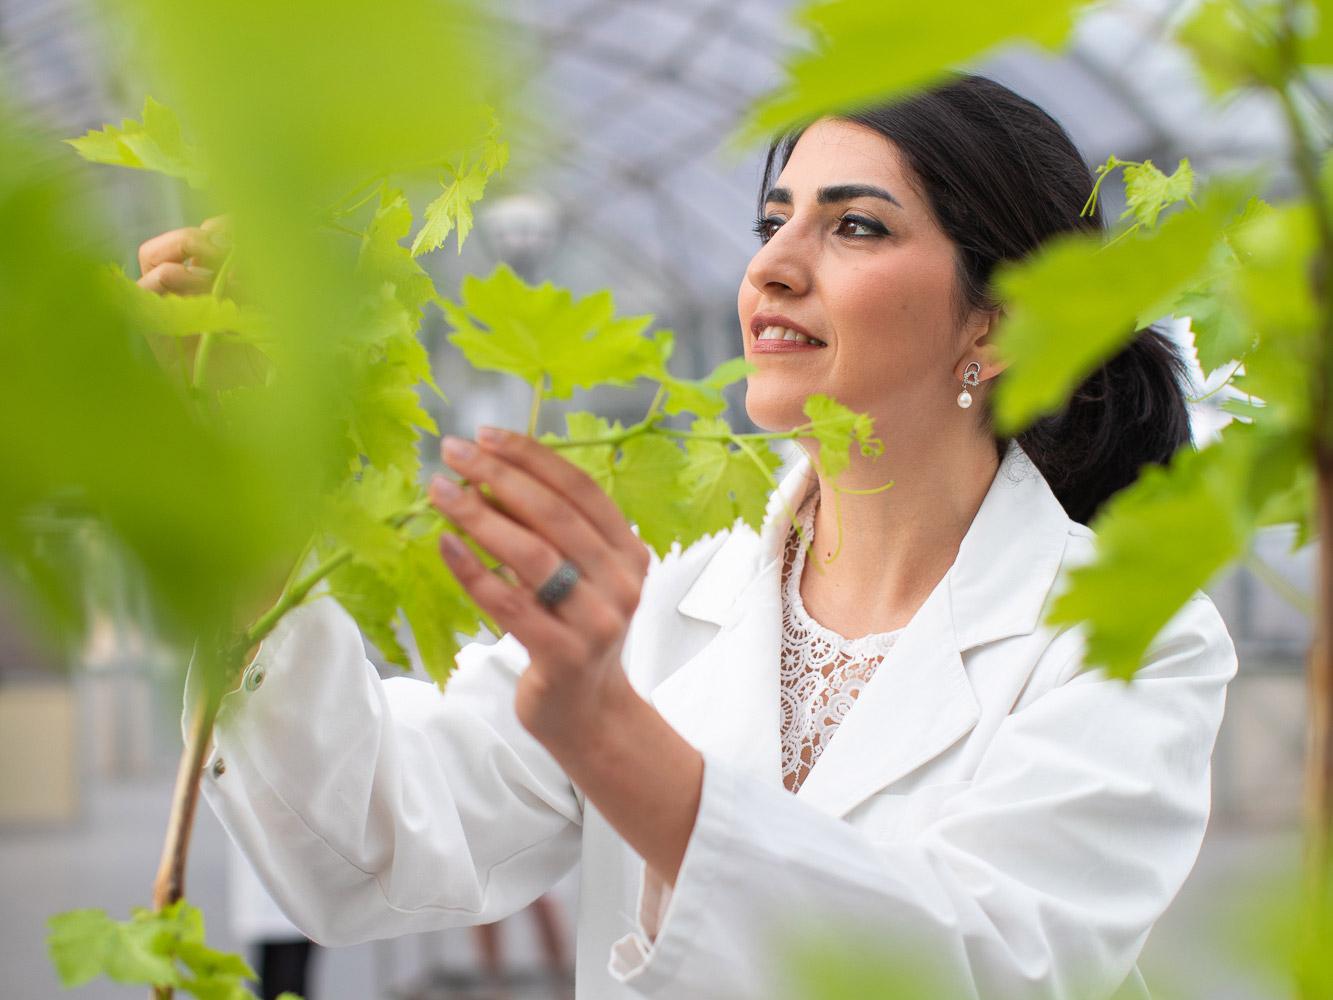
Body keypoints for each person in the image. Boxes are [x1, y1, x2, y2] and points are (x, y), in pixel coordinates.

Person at [153, 73, 1238, 999]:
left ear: (999, 326)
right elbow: (375, 839)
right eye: (773, 222)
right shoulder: (675, 587)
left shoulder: (1130, 636)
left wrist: (609, 733)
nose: (772, 265)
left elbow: (979, 964)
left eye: (855, 225)